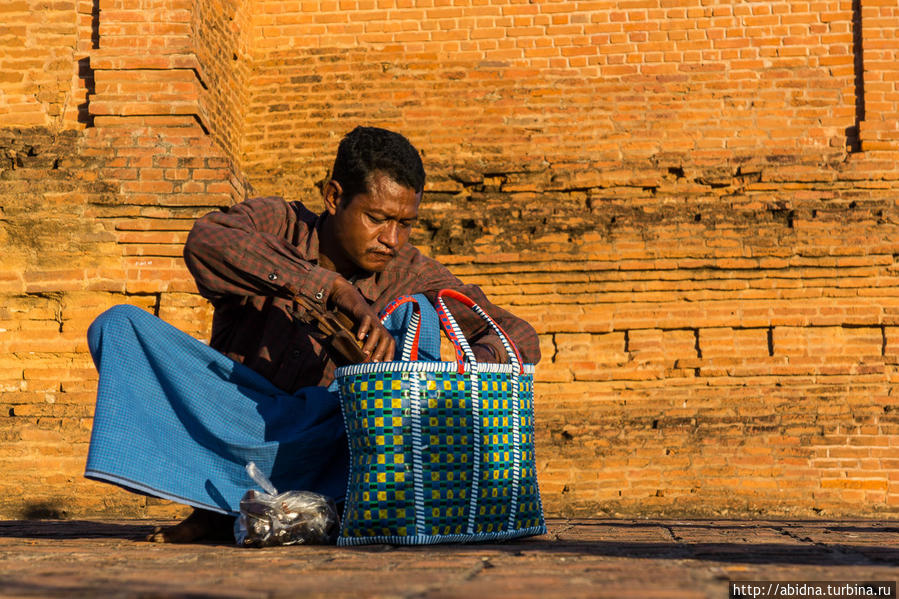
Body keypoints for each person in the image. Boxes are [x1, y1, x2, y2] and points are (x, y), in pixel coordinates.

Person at [84, 126, 541, 543]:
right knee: (118, 326)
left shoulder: (410, 273)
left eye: (405, 224)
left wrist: (446, 372)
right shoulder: (276, 221)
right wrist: (328, 287)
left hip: (328, 439)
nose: (392, 239)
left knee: (417, 315)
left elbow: (517, 334)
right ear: (333, 196)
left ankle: (357, 506)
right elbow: (206, 242)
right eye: (378, 217)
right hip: (237, 414)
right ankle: (218, 505)